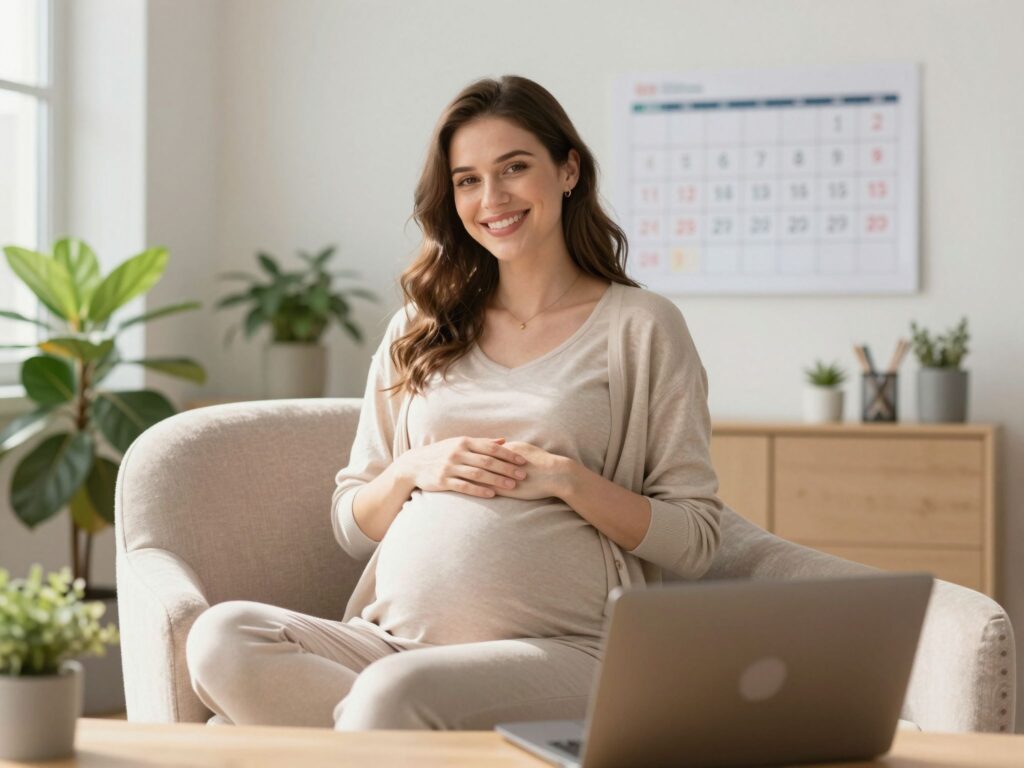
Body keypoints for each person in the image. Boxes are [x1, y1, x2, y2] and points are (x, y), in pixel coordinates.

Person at [185, 74, 722, 731]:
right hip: (390, 646)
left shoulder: (640, 325)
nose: (491, 198)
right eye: (467, 179)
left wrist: (567, 479)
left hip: (571, 653)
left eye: (514, 168)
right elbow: (351, 524)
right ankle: (383, 734)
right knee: (222, 638)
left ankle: (345, 730)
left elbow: (696, 539)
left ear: (569, 170)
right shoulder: (422, 322)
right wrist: (414, 469)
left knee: (389, 698)